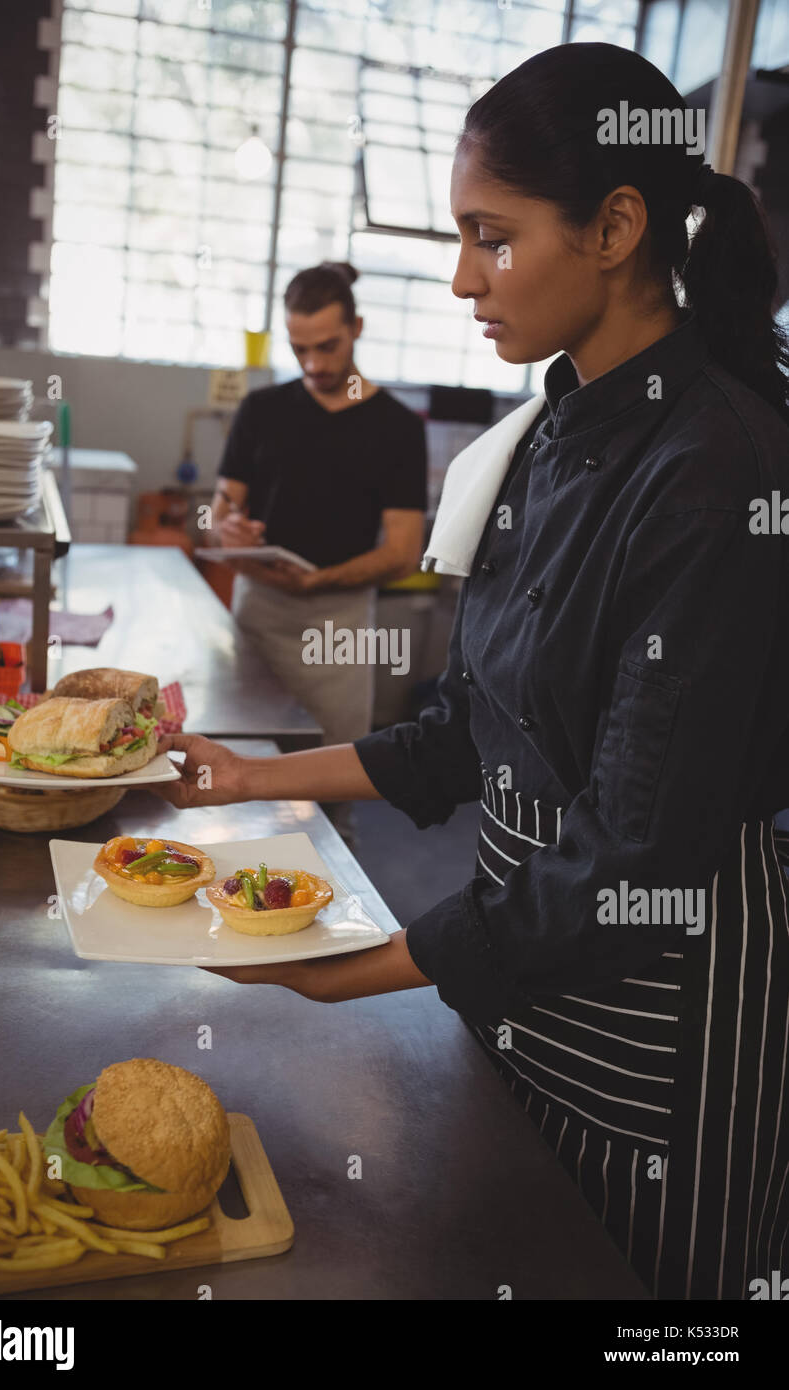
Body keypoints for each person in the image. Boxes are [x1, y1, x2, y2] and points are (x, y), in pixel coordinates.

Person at [156, 43, 789, 1300]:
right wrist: (249, 776)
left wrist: (354, 970)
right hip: (521, 967)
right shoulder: (550, 429)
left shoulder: (722, 464)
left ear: (615, 227)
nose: (460, 279)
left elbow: (628, 857)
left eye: (489, 238)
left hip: (658, 1001)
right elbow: (465, 728)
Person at [207, 261, 427, 849]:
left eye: (327, 347)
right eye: (299, 349)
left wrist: (319, 580)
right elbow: (217, 507)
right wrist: (228, 527)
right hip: (257, 613)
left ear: (357, 327)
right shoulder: (263, 411)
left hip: (339, 625)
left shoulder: (397, 427)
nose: (315, 365)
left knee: (332, 801)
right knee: (240, 778)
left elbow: (404, 552)